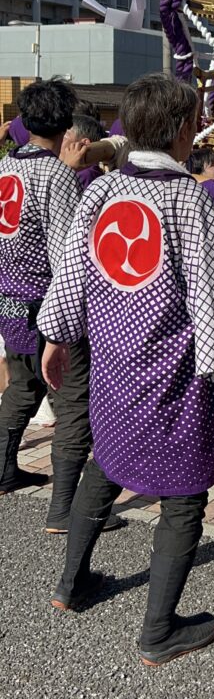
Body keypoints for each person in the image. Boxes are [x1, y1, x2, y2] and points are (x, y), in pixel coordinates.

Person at [39, 73, 214, 667]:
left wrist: (56, 335)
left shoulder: (101, 191)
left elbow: (72, 267)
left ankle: (72, 585)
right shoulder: (185, 196)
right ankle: (158, 631)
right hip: (172, 368)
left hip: (113, 362)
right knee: (185, 496)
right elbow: (212, 289)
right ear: (181, 129)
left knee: (107, 462)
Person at [0, 79, 96, 532]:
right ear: (64, 122)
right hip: (45, 302)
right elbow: (66, 251)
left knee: (22, 385)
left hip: (8, 297)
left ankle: (3, 470)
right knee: (71, 400)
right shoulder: (56, 173)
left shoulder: (6, 168)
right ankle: (62, 508)